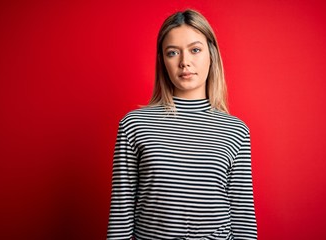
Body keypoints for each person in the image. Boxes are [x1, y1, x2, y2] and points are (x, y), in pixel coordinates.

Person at [107, 9, 257, 240]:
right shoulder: (134, 125)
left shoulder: (235, 130)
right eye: (172, 52)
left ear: (212, 55)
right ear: (162, 61)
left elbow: (243, 217)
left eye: (195, 50)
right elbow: (121, 215)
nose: (185, 62)